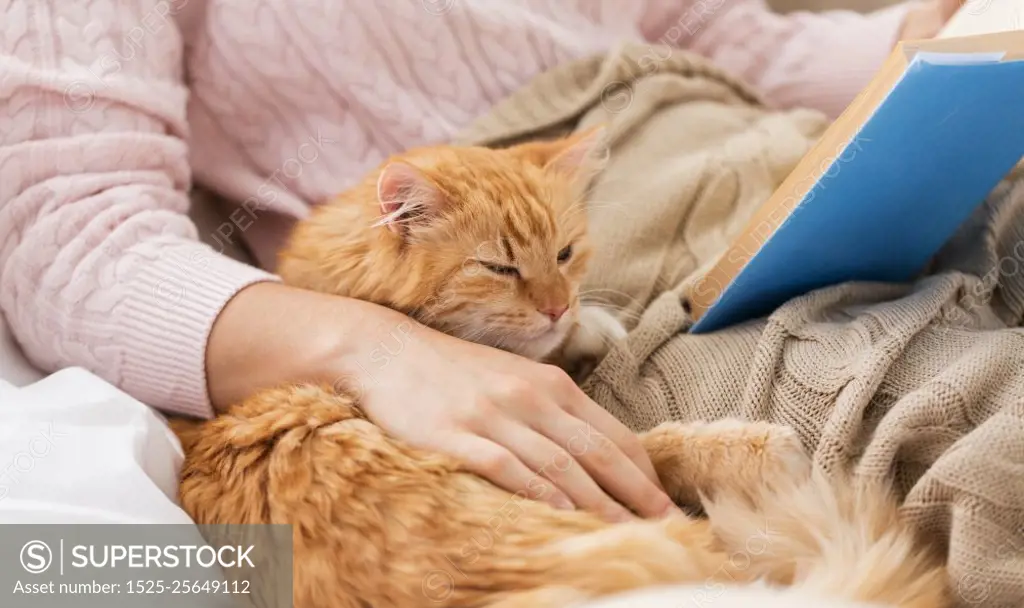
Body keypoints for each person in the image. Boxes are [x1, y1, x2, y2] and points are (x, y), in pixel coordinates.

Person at [0, 0, 962, 522]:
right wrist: (379, 354)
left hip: (742, 146)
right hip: (550, 231)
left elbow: (703, 31)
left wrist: (928, 35)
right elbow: (69, 229)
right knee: (962, 421)